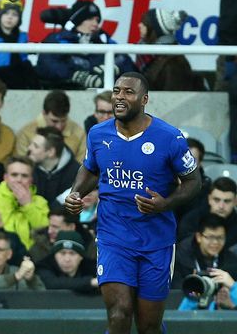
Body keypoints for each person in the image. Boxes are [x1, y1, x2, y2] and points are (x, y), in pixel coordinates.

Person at [65, 72, 201, 334]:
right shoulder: (97, 134)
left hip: (156, 241)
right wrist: (75, 194)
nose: (120, 97)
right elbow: (92, 168)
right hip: (113, 237)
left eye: (129, 92)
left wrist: (165, 204)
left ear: (144, 99)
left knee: (148, 325)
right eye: (117, 91)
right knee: (119, 313)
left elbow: (194, 182)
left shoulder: (169, 138)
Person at [38, 0, 136, 89]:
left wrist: (115, 68)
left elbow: (128, 64)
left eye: (97, 20)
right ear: (77, 20)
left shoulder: (105, 41)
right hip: (68, 92)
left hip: (106, 96)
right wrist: (76, 76)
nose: (95, 24)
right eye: (90, 19)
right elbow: (46, 65)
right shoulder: (58, 40)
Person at [0, 156, 50, 249]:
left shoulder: (40, 202)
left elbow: (44, 232)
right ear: (5, 177)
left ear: (31, 180)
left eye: (24, 176)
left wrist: (28, 205)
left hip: (30, 256)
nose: (19, 180)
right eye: (14, 175)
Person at [135, 9, 205, 91]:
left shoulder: (174, 64)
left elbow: (174, 98)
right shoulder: (150, 57)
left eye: (144, 23)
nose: (139, 25)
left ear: (155, 29)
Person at [15, 90, 86, 161]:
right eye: (54, 121)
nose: (59, 126)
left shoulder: (79, 134)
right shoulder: (25, 133)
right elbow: (22, 166)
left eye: (63, 121)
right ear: (44, 114)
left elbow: (81, 167)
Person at [173, 214, 237, 289]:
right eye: (210, 237)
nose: (215, 242)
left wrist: (232, 285)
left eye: (220, 238)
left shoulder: (231, 260)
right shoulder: (182, 257)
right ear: (199, 237)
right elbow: (176, 290)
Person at [27, 126, 80, 208]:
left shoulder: (77, 174)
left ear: (51, 152)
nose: (29, 148)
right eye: (30, 144)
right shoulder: (25, 168)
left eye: (36, 146)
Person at [177, 177, 237, 249]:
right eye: (216, 200)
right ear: (209, 199)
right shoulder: (192, 220)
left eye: (227, 201)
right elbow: (183, 250)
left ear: (235, 201)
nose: (221, 206)